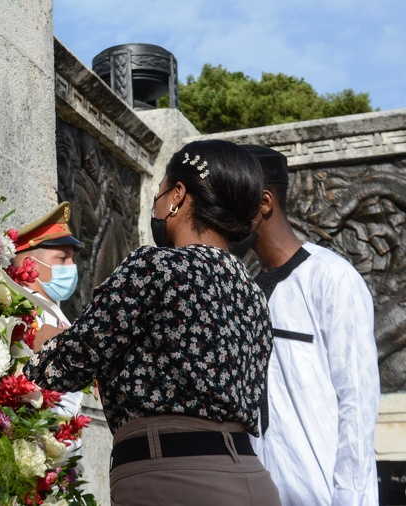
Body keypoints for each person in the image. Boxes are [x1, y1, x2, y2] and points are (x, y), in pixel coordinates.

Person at [24, 140, 280, 506]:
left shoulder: (156, 267)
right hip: (250, 478)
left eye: (160, 192)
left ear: (178, 196)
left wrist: (42, 340)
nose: (156, 204)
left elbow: (67, 366)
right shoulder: (252, 293)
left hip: (173, 479)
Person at [237, 145, 380, 506]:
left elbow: (357, 403)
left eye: (231, 200)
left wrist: (349, 498)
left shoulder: (331, 278)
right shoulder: (246, 288)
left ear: (264, 203)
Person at [11, 202, 85, 442]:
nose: (71, 268)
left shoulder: (56, 313)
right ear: (28, 265)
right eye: (62, 259)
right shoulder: (19, 309)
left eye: (71, 260)